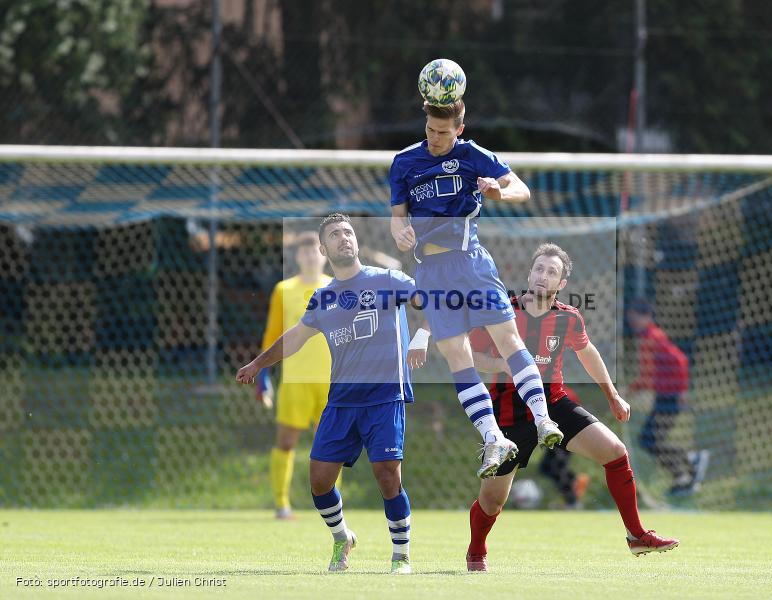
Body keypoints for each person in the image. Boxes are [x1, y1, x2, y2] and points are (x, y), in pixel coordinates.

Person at [465, 243, 679, 571]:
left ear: (561, 284)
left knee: (615, 452)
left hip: (553, 405)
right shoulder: (502, 313)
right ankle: (476, 551)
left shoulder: (568, 318)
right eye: (539, 268)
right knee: (493, 501)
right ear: (529, 273)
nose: (543, 275)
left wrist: (613, 396)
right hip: (510, 411)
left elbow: (588, 352)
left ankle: (636, 535)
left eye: (552, 272)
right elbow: (465, 354)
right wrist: (501, 363)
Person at [237, 214, 421, 574]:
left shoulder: (387, 279)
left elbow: (426, 299)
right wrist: (259, 364)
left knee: (387, 474)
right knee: (319, 482)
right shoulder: (322, 299)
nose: (343, 238)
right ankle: (342, 538)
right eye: (335, 234)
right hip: (341, 401)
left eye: (348, 232)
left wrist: (425, 335)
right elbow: (294, 337)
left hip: (385, 397)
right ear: (323, 248)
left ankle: (401, 555)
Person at [389, 97, 562, 479]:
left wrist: (498, 192)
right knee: (455, 354)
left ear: (459, 130)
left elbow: (521, 189)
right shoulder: (404, 162)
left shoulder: (473, 155)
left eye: (444, 132)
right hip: (431, 272)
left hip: (471, 262)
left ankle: (543, 419)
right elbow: (397, 218)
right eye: (430, 130)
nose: (435, 138)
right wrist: (399, 233)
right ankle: (493, 438)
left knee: (508, 340)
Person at [257, 231, 333, 520]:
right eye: (305, 251)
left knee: (330, 445)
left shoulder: (337, 287)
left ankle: (329, 506)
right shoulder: (283, 289)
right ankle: (281, 503)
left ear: (324, 254)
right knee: (286, 442)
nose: (311, 256)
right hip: (295, 380)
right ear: (297, 257)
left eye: (315, 250)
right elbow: (273, 333)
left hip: (331, 381)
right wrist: (263, 374)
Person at [626, 298, 709, 496]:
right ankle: (682, 474)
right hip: (664, 396)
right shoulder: (650, 337)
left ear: (646, 316)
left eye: (635, 318)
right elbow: (649, 374)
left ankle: (691, 460)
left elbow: (680, 361)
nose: (632, 323)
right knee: (651, 439)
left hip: (670, 397)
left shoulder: (652, 338)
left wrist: (682, 390)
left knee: (648, 439)